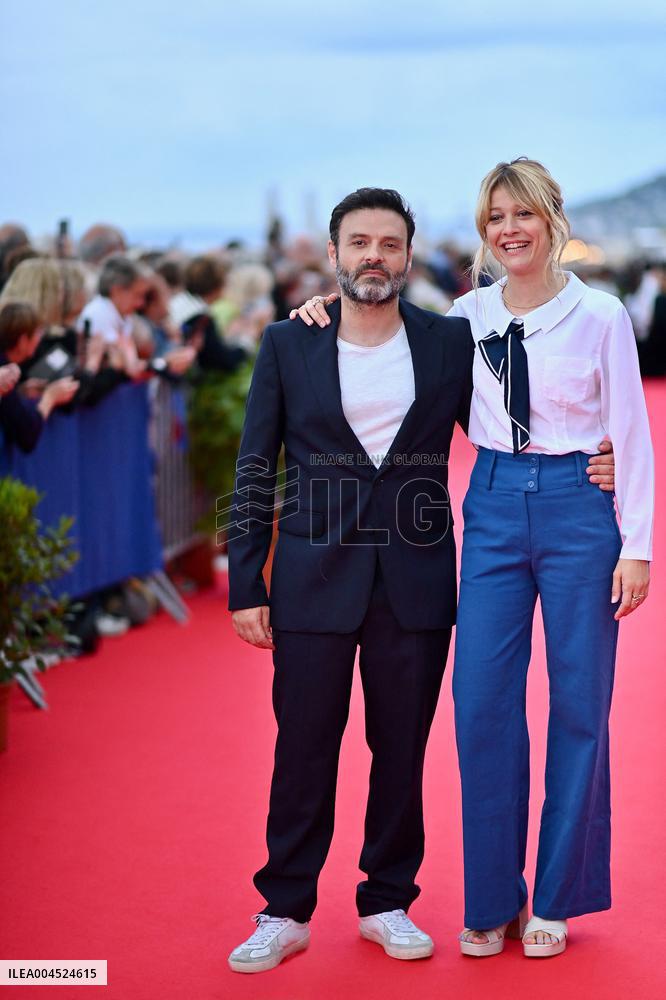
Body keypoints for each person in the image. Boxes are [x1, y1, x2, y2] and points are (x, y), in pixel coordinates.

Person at [227, 187, 616, 973]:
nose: (374, 256)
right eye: (359, 242)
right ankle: (284, 907)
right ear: (333, 254)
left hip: (414, 577)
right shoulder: (286, 341)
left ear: (408, 256)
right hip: (311, 574)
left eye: (390, 244)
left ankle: (387, 900)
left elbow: (521, 414)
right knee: (304, 746)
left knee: (399, 749)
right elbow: (253, 465)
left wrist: (596, 455)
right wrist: (245, 583)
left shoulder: (449, 339)